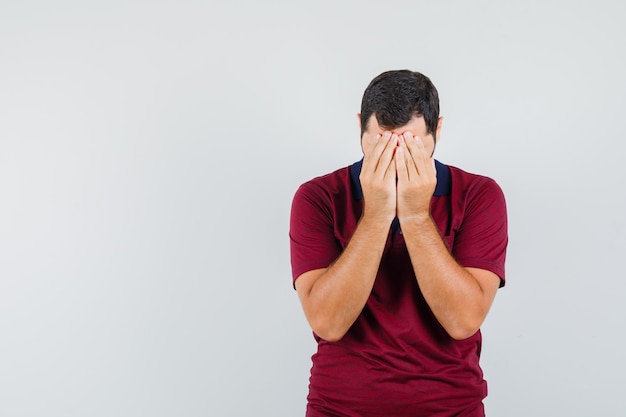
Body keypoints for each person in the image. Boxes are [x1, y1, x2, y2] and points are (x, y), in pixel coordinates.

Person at [289, 70, 508, 417]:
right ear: (361, 126)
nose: (394, 158)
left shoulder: (479, 195)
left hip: (451, 408)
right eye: (381, 143)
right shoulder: (318, 197)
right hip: (340, 408)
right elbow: (327, 323)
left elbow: (464, 320)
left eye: (409, 144)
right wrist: (376, 215)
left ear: (438, 131)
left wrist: (417, 216)